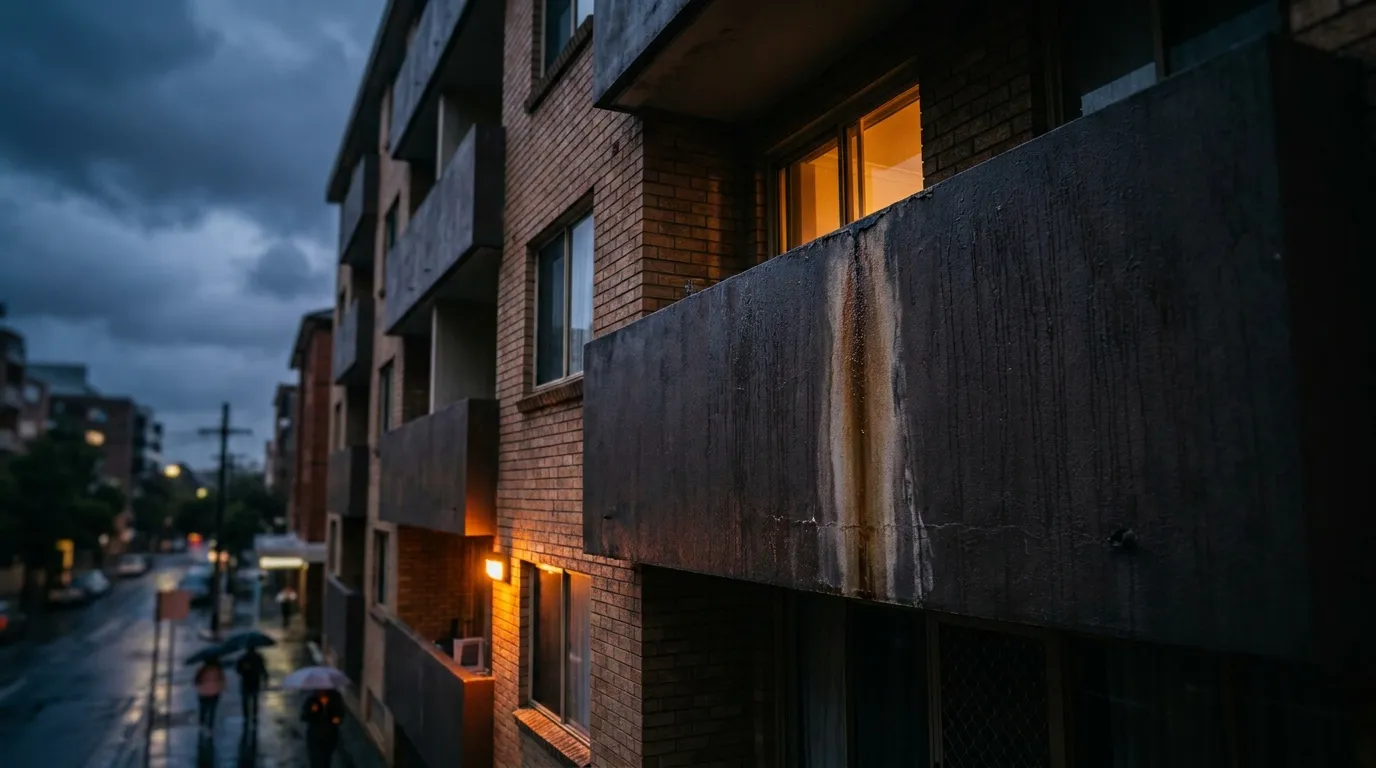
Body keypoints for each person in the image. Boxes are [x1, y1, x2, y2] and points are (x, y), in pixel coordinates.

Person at [300, 689, 344, 768]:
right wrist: (312, 711)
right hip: (315, 738)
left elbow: (340, 714)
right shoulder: (312, 699)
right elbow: (303, 717)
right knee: (316, 762)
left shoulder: (335, 697)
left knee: (326, 761)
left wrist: (336, 718)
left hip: (330, 737)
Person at [235, 647, 268, 728]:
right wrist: (265, 677)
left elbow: (238, 669)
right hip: (255, 680)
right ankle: (254, 715)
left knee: (245, 699)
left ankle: (246, 716)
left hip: (246, 680)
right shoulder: (258, 657)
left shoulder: (243, 658)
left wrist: (243, 672)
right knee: (254, 699)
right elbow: (262, 668)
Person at [194, 658, 226, 736]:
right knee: (212, 711)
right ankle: (210, 727)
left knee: (203, 709)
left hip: (204, 692)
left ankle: (202, 724)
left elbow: (196, 681)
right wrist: (221, 687)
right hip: (215, 692)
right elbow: (222, 680)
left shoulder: (202, 670)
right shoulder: (218, 670)